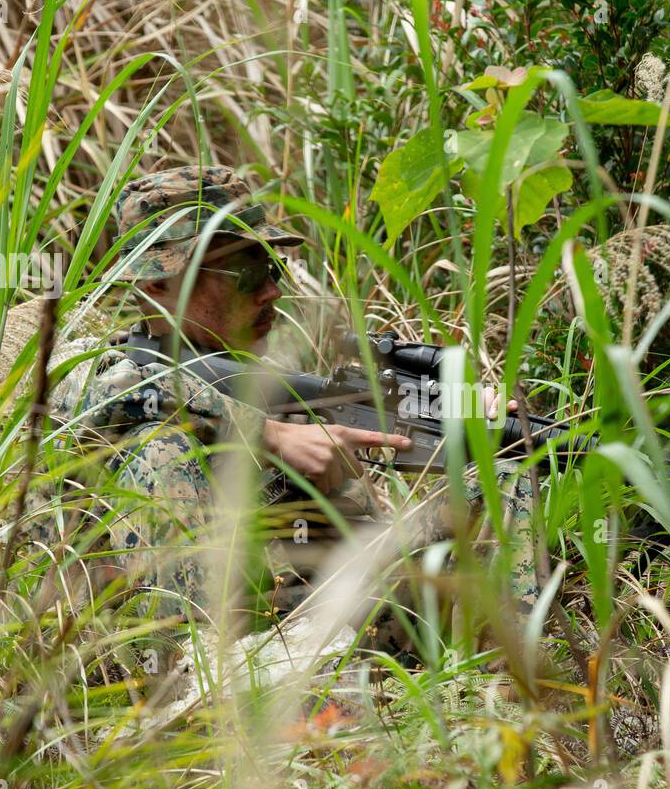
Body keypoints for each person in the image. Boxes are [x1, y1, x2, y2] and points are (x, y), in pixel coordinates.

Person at [46, 166, 539, 673]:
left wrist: (457, 421)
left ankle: (518, 704)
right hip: (232, 672)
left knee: (505, 480)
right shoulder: (106, 378)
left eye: (271, 270)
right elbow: (77, 388)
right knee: (161, 444)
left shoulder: (269, 382)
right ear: (157, 284)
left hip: (341, 638)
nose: (270, 293)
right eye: (245, 276)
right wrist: (268, 434)